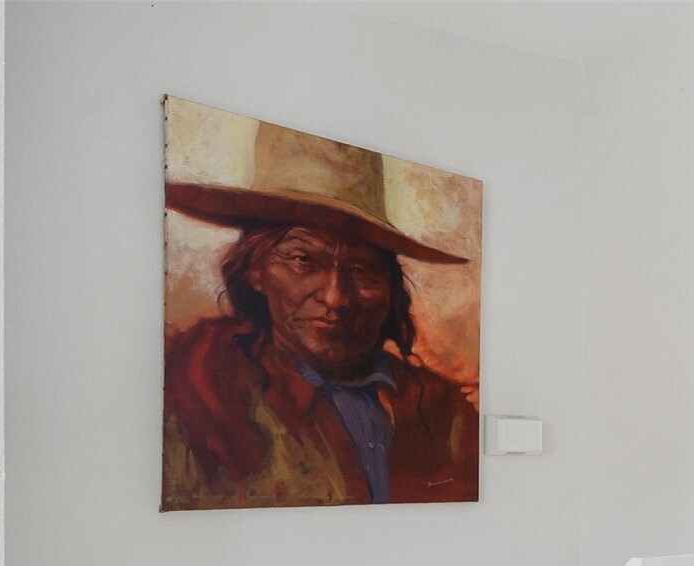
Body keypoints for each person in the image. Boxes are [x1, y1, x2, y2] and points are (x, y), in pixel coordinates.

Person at [162, 119, 478, 510]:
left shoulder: (445, 414)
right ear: (257, 271)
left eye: (361, 269)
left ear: (389, 288)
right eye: (302, 259)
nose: (336, 297)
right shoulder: (197, 384)